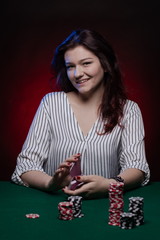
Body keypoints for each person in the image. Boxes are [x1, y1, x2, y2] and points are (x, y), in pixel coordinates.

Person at [11, 29, 150, 199]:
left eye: (86, 63)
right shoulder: (51, 103)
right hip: (54, 208)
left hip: (104, 208)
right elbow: (26, 165)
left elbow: (136, 166)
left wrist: (109, 185)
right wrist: (50, 183)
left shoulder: (128, 109)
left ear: (105, 64)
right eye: (70, 66)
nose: (77, 74)